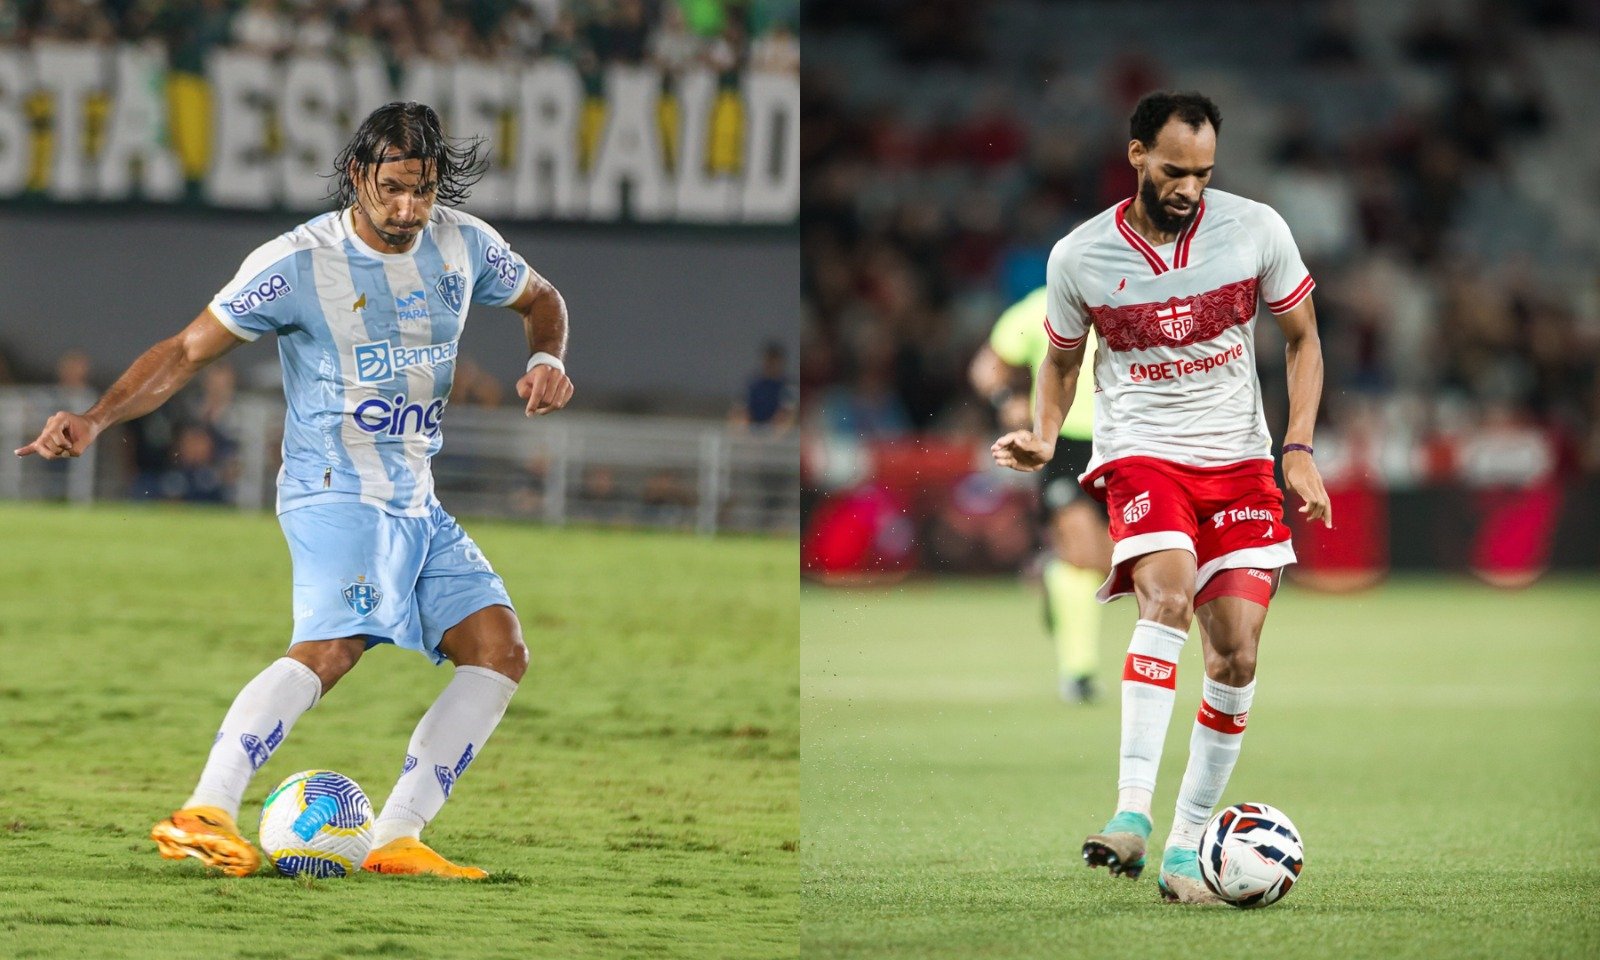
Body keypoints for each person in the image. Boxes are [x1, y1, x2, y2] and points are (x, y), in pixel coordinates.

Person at [14, 101, 575, 879]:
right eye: (393, 189)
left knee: (498, 648)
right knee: (334, 645)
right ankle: (206, 808)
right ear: (357, 175)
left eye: (423, 189)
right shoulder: (297, 263)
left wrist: (546, 358)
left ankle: (396, 838)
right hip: (332, 486)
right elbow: (185, 351)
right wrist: (98, 417)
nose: (409, 208)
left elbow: (543, 300)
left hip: (415, 497)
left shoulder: (463, 243)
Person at [991, 91, 1331, 904]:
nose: (1189, 187)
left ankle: (1184, 849)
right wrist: (1044, 433)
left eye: (1204, 172)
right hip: (1144, 457)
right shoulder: (1079, 258)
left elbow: (1304, 339)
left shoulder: (1255, 230)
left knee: (1237, 653)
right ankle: (1131, 816)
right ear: (1137, 154)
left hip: (1242, 464)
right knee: (1167, 596)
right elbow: (1062, 362)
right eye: (1174, 170)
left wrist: (1299, 450)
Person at [971, 286, 1111, 702]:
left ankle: (1055, 574)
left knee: (1105, 563)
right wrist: (1006, 399)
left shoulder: (1130, 298)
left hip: (1125, 440)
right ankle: (1079, 673)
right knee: (1084, 557)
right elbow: (986, 365)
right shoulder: (1038, 307)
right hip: (1063, 442)